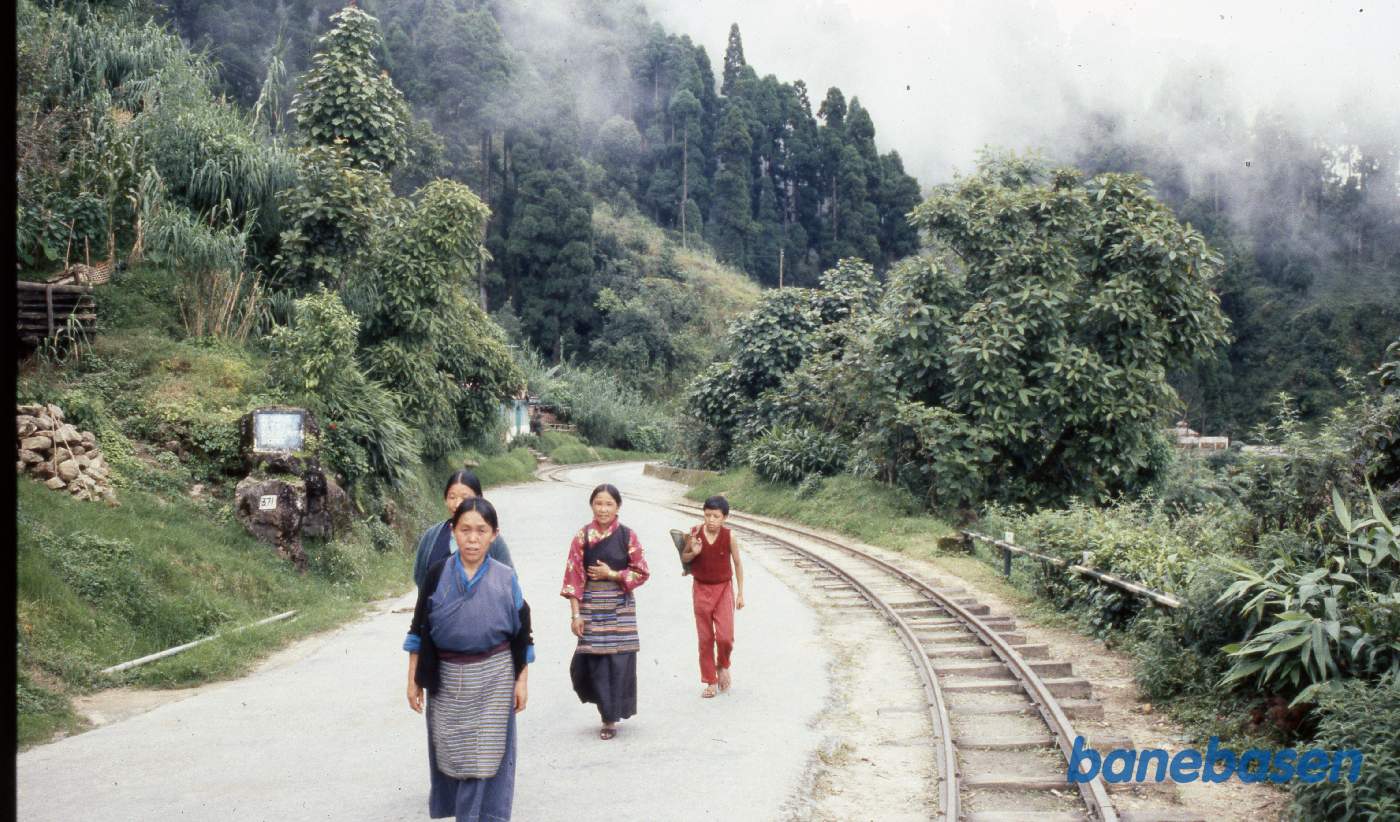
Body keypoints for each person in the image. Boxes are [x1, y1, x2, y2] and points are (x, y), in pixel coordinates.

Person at [405, 497, 533, 822]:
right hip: (447, 680)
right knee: (455, 758)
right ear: (453, 532)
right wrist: (413, 680)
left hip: (495, 678)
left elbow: (522, 631)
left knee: (484, 760)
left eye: (481, 530)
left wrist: (522, 679)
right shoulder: (437, 575)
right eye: (465, 530)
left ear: (494, 534)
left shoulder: (505, 577)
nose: (472, 538)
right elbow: (419, 628)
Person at [560, 483, 650, 740]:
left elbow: (642, 571)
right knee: (595, 661)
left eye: (609, 504)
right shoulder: (582, 537)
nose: (603, 509)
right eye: (598, 503)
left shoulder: (627, 536)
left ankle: (611, 718)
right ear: (592, 505)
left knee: (618, 661)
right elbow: (573, 576)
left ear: (618, 507)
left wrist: (612, 574)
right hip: (591, 605)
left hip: (620, 606)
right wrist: (576, 614)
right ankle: (605, 714)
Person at [679, 495, 745, 698]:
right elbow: (685, 557)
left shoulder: (729, 536)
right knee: (705, 638)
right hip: (701, 589)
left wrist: (740, 593)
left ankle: (722, 664)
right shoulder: (695, 533)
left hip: (724, 589)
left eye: (716, 516)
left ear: (724, 517)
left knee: (725, 637)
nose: (711, 520)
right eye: (707, 515)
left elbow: (737, 563)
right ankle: (710, 680)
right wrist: (694, 552)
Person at [414, 470, 513, 588]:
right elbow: (421, 579)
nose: (457, 504)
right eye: (452, 497)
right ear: (445, 499)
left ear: (479, 499)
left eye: (465, 497)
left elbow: (509, 583)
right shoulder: (431, 536)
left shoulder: (493, 541)